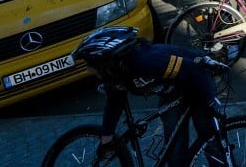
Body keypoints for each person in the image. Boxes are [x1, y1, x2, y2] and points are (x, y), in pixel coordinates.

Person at [72, 26, 224, 166]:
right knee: (175, 149)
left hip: (196, 80)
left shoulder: (147, 60)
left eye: (91, 65)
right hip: (171, 91)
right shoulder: (115, 75)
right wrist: (106, 136)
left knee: (209, 138)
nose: (89, 70)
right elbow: (114, 104)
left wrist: (210, 102)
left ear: (106, 62)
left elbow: (194, 70)